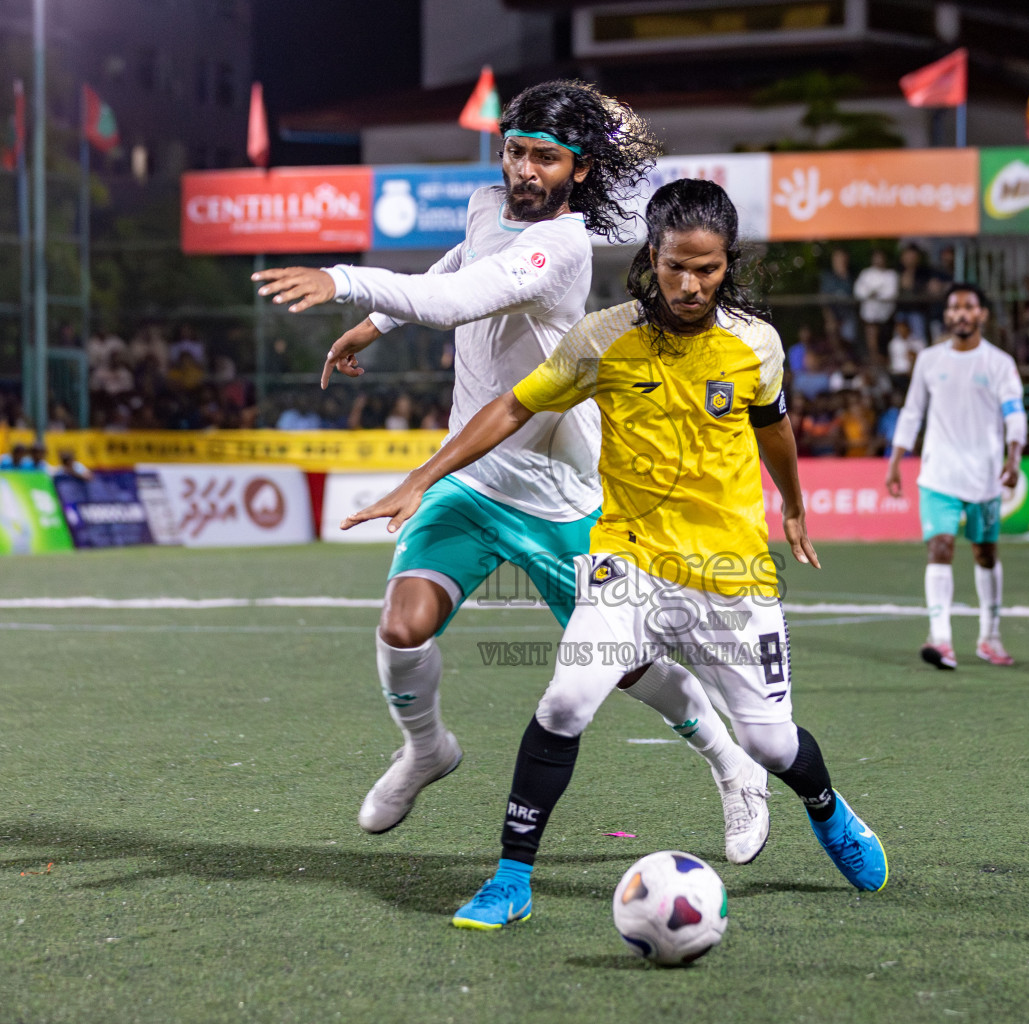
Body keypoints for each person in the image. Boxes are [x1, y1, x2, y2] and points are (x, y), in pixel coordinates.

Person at [345, 179, 889, 930]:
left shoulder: (757, 343)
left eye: (708, 268)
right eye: (675, 267)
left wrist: (793, 503)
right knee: (564, 702)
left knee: (770, 741)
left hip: (731, 573)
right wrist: (422, 476)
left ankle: (827, 811)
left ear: (729, 262)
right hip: (626, 563)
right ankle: (510, 877)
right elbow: (510, 406)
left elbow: (774, 429)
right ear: (651, 259)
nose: (691, 284)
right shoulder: (602, 337)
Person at [251, 82, 770, 865]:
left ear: (581, 170)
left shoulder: (562, 248)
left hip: (562, 495)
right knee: (401, 627)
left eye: (545, 158)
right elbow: (461, 259)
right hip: (473, 477)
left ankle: (732, 765)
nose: (525, 170)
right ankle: (426, 749)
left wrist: (346, 280)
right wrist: (377, 322)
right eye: (516, 151)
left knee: (625, 664)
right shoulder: (487, 204)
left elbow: (465, 297)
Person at [885, 284, 1025, 669]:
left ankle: (990, 637)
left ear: (981, 314)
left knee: (985, 553)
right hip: (938, 473)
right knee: (940, 546)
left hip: (984, 475)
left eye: (969, 307)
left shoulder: (999, 363)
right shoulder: (930, 360)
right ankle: (941, 640)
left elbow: (1015, 413)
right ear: (947, 316)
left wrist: (1014, 458)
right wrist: (896, 458)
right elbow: (912, 411)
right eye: (955, 308)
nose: (961, 314)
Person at [854, 250, 898, 362]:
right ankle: (873, 357)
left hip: (886, 317)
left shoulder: (891, 274)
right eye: (876, 257)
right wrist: (872, 292)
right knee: (870, 335)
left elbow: (891, 292)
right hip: (869, 316)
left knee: (886, 343)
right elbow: (859, 291)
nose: (878, 260)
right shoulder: (866, 273)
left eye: (881, 257)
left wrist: (875, 293)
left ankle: (884, 360)